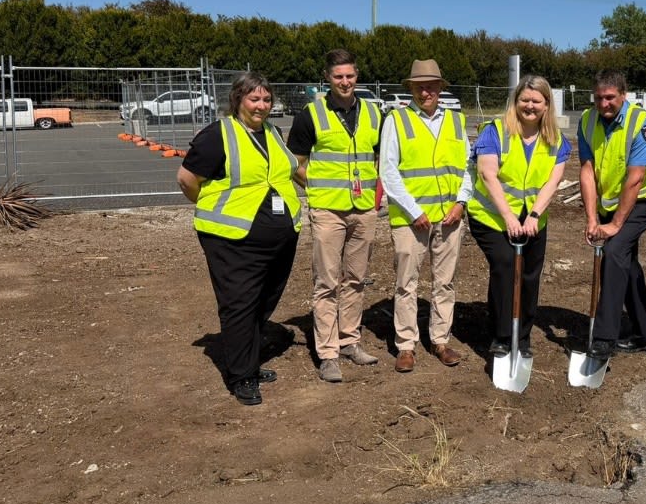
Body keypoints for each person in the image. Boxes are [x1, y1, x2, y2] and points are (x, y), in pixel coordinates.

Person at [176, 72, 302, 406]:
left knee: (262, 301)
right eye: (254, 98)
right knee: (240, 303)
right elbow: (187, 179)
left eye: (267, 99)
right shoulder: (218, 134)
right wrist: (209, 204)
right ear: (238, 100)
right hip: (232, 238)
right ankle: (241, 375)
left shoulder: (272, 132)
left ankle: (249, 360)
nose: (262, 105)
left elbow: (286, 173)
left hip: (279, 237)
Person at [287, 49, 382, 383]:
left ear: (357, 76)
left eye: (350, 76)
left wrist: (374, 196)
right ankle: (328, 353)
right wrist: (316, 189)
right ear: (327, 78)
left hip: (364, 209)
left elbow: (379, 158)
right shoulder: (310, 115)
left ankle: (349, 341)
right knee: (326, 282)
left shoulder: (374, 113)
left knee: (356, 279)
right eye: (338, 76)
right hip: (327, 210)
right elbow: (295, 163)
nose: (345, 82)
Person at [379, 59, 472, 372]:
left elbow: (468, 167)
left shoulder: (457, 121)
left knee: (445, 282)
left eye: (431, 86)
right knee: (406, 283)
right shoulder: (396, 120)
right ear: (411, 89)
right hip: (411, 219)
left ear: (440, 88)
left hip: (449, 217)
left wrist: (461, 203)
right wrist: (414, 210)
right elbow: (388, 170)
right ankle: (406, 345)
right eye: (419, 87)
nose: (425, 92)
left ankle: (440, 340)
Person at [467, 75, 570, 358]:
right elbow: (488, 175)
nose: (530, 106)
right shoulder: (495, 132)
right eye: (525, 100)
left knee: (529, 275)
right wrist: (509, 217)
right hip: (491, 217)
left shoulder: (555, 139)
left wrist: (534, 215)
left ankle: (522, 336)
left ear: (546, 105)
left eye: (536, 101)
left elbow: (553, 181)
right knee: (506, 266)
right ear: (515, 102)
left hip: (533, 219)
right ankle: (502, 336)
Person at [577, 71, 646, 359]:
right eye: (599, 97)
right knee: (626, 264)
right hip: (609, 203)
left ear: (623, 96)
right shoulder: (587, 120)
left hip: (642, 200)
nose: (604, 104)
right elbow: (587, 171)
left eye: (610, 97)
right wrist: (592, 218)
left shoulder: (642, 123)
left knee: (614, 253)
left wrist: (615, 224)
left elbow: (635, 178)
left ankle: (604, 338)